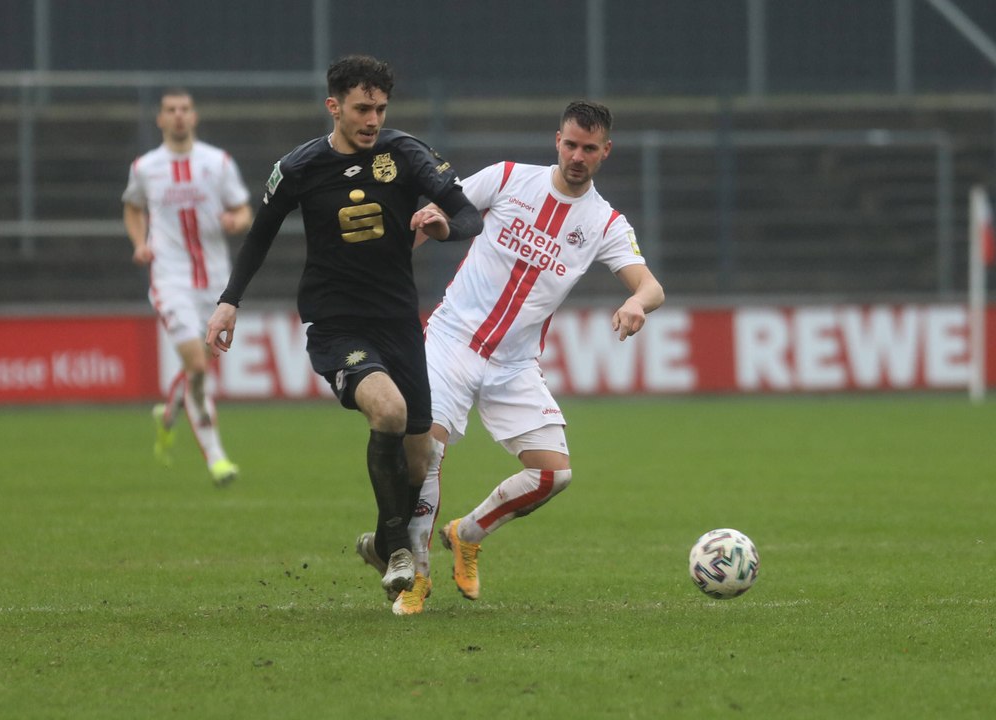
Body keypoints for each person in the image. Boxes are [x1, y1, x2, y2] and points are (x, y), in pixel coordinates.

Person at [204, 55, 483, 609]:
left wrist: (444, 223)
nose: (372, 118)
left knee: (419, 455)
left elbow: (469, 214)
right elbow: (259, 235)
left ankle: (380, 544)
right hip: (335, 321)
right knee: (389, 411)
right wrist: (228, 301)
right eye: (361, 108)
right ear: (333, 106)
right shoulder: (300, 166)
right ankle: (401, 550)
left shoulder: (405, 154)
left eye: (380, 108)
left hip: (398, 320)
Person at [391, 100, 665, 613]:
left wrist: (635, 302)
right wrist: (404, 252)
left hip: (513, 363)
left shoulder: (605, 223)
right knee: (427, 450)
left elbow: (651, 286)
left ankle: (467, 533)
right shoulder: (507, 177)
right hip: (451, 340)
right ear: (555, 140)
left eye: (589, 148)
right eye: (570, 143)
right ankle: (418, 578)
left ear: (606, 152)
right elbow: (432, 216)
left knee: (553, 475)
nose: (577, 155)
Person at [123, 88, 253, 487]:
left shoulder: (217, 162)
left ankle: (167, 414)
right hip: (171, 279)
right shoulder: (146, 167)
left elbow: (244, 210)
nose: (178, 116)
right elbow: (132, 205)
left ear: (194, 117)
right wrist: (139, 243)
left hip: (216, 282)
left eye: (184, 109)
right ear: (160, 119)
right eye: (170, 110)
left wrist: (237, 222)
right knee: (197, 366)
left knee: (198, 367)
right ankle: (217, 459)